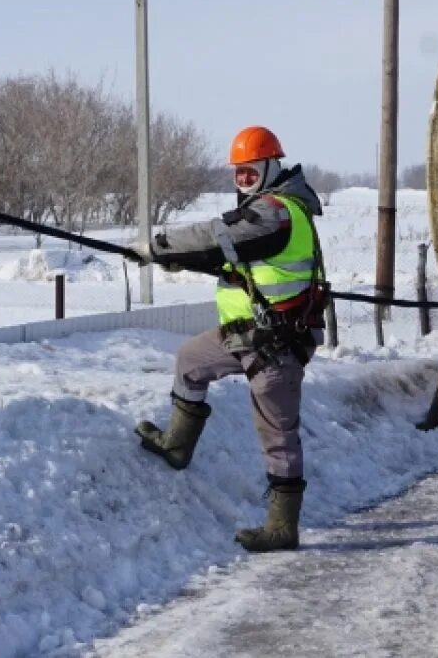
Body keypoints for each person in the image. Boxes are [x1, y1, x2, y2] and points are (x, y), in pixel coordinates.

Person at [129, 124, 327, 552]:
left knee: (277, 432)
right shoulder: (264, 211)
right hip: (243, 336)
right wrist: (184, 262)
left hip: (276, 346)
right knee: (189, 361)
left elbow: (220, 237)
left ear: (272, 166)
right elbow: (237, 260)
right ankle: (177, 446)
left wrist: (159, 246)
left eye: (250, 173)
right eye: (238, 175)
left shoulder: (276, 211)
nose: (243, 181)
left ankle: (282, 526)